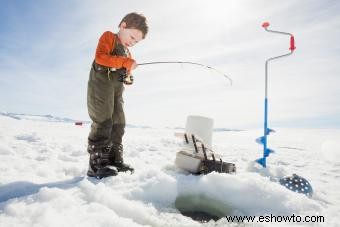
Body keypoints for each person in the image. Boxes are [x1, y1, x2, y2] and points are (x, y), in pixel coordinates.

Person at [86, 12, 148, 178]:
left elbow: (125, 74)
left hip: (116, 93)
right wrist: (125, 63)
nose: (133, 42)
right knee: (103, 121)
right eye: (132, 37)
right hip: (100, 90)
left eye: (136, 41)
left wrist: (128, 75)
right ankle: (97, 164)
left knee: (119, 122)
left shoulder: (127, 52)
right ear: (123, 26)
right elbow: (101, 58)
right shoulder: (109, 37)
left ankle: (114, 161)